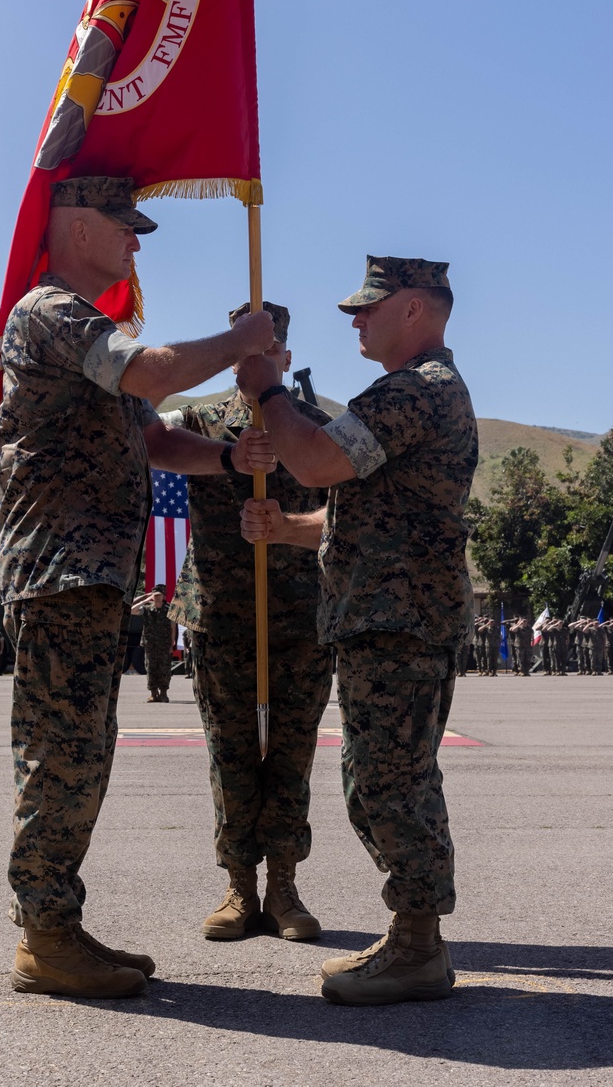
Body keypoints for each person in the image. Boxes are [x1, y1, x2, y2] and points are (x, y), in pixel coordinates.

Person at [0, 176, 276, 1001]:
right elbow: (149, 375)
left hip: (87, 576)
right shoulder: (50, 310)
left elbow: (151, 436)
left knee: (81, 754)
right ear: (78, 225)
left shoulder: (87, 323)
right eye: (123, 225)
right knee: (62, 756)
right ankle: (45, 935)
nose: (135, 241)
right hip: (60, 572)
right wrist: (241, 342)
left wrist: (227, 458)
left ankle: (57, 923)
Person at [240, 256, 477, 1006]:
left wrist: (267, 391)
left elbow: (313, 460)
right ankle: (413, 935)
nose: (355, 319)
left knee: (391, 782)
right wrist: (286, 529)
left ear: (416, 308)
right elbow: (352, 511)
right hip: (388, 618)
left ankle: (417, 945)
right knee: (378, 780)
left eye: (369, 307)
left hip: (398, 622)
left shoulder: (418, 391)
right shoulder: (414, 391)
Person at [166, 301, 333, 943]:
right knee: (231, 754)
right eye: (245, 356)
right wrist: (229, 456)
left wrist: (288, 529)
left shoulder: (318, 431)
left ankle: (284, 885)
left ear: (285, 361)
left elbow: (344, 523)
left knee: (290, 755)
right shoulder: (200, 423)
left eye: (268, 356)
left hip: (300, 621)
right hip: (221, 617)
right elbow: (155, 448)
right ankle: (239, 883)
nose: (256, 366)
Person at [133, 590, 174, 702]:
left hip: (164, 644)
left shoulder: (169, 609)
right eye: (155, 595)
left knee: (164, 668)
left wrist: (172, 643)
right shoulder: (146, 609)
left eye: (159, 595)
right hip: (150, 644)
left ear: (164, 596)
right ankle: (153, 693)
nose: (157, 597)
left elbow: (173, 627)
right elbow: (132, 610)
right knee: (150, 668)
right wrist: (144, 599)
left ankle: (164, 693)